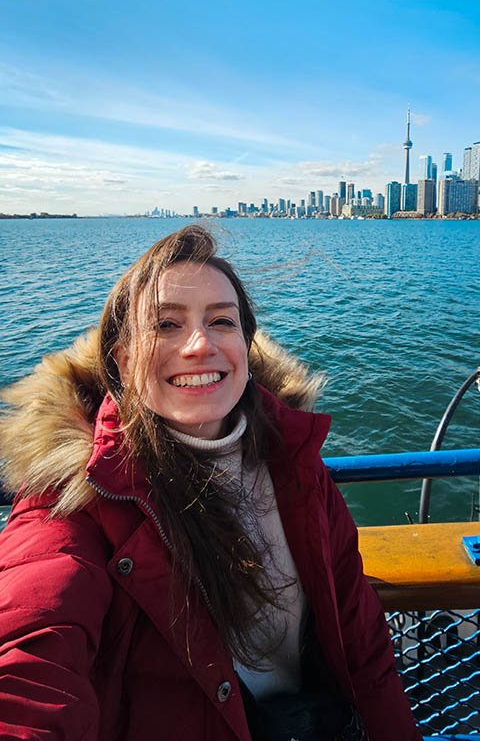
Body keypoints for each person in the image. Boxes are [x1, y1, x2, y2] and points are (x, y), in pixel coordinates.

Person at [0, 225, 420, 741]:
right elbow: (30, 657)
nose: (200, 345)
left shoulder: (295, 462)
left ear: (246, 346)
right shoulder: (75, 497)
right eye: (166, 325)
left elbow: (364, 645)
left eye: (222, 321)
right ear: (124, 360)